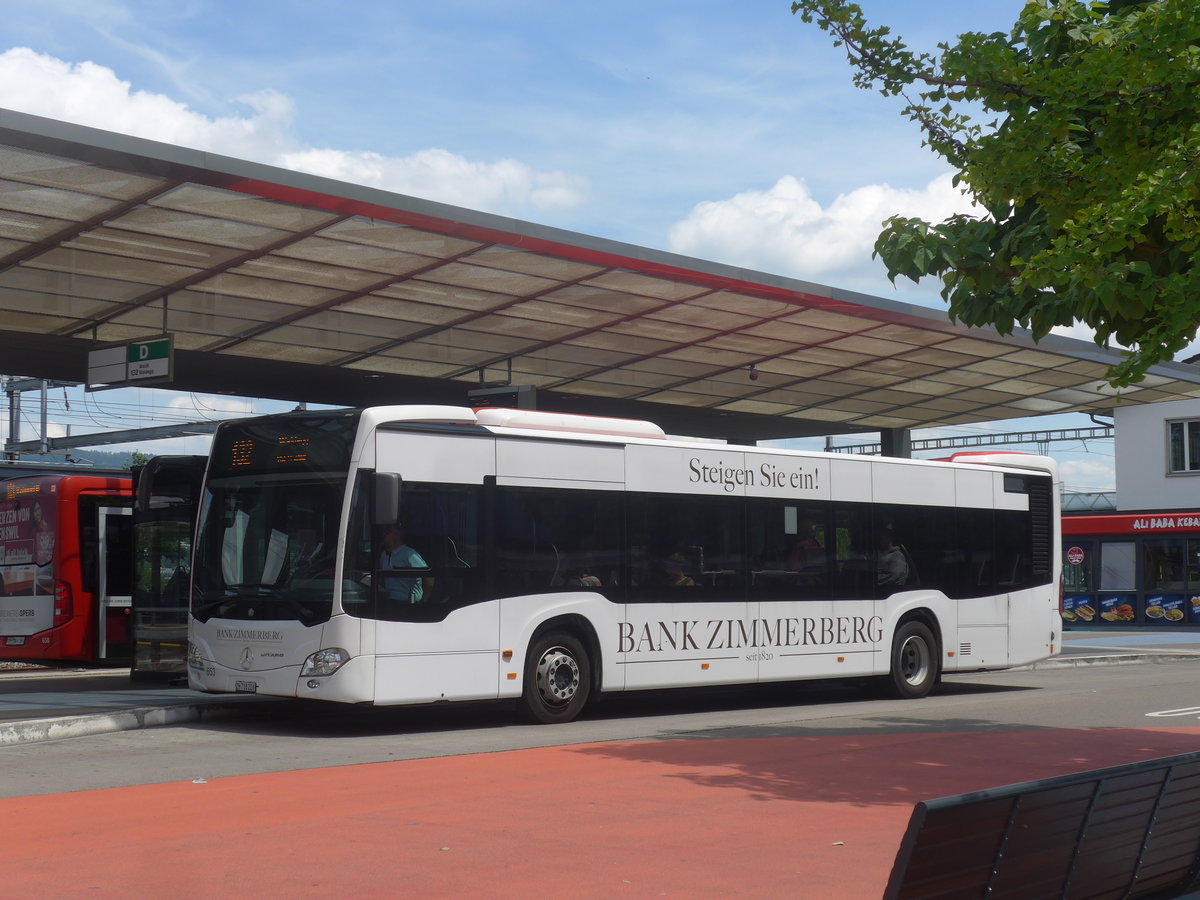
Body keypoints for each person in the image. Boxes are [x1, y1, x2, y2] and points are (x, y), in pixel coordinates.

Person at [379, 524, 430, 603]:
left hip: (408, 601)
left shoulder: (409, 554)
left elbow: (429, 576)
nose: (384, 535)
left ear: (396, 535)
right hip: (389, 600)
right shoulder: (384, 555)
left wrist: (425, 601)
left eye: (387, 532)